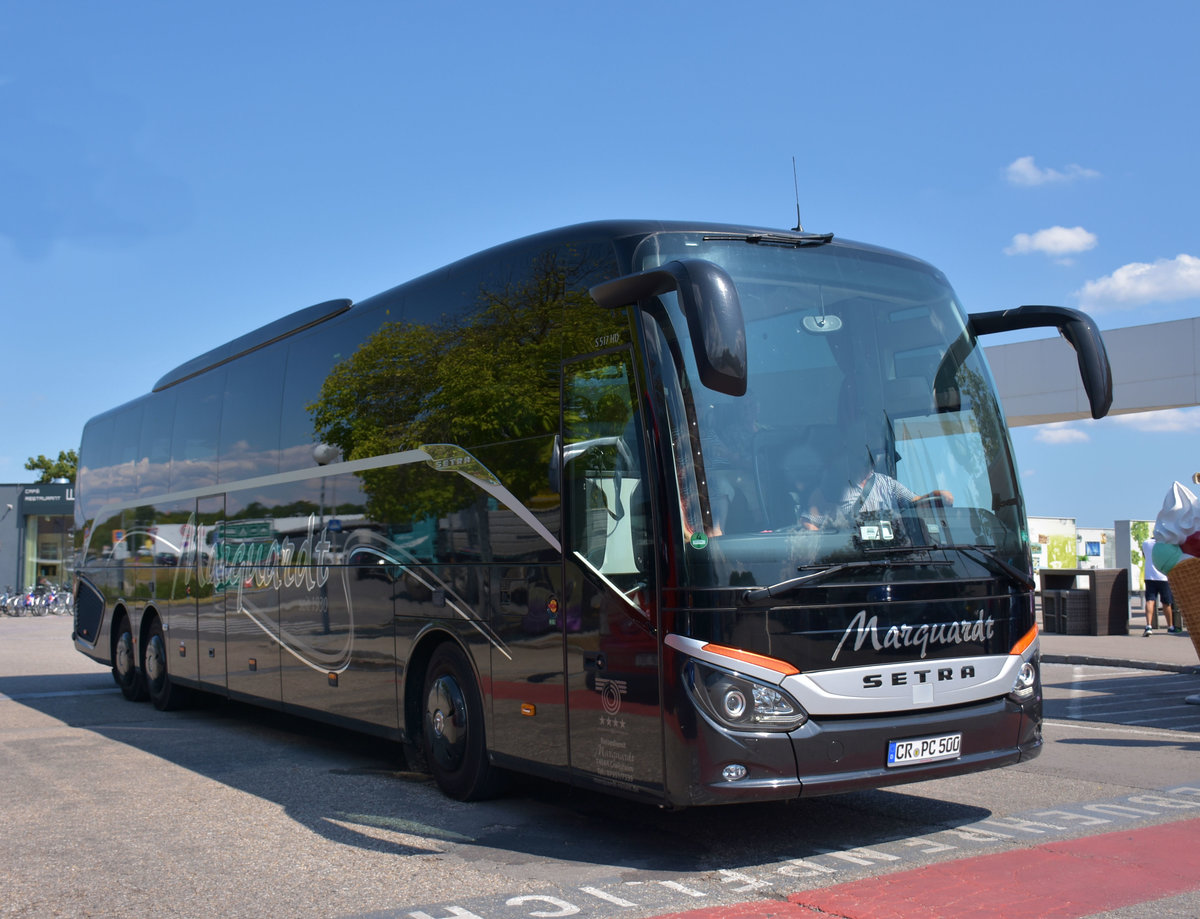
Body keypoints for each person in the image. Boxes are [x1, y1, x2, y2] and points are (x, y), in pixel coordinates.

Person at [1142, 534, 1177, 636]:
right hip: (1163, 576)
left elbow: (1144, 556)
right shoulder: (1166, 544)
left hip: (1149, 576)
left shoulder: (1146, 543)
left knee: (1150, 600)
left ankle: (1148, 626)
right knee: (1166, 602)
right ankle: (1170, 627)